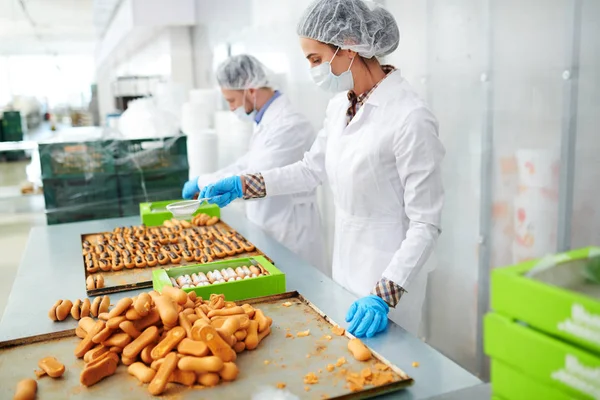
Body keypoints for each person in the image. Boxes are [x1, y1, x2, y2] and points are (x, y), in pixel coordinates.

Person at [199, 0, 444, 338]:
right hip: (344, 266)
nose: (313, 69)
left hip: (391, 279)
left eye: (315, 59)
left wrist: (384, 296)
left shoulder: (409, 116)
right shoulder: (339, 107)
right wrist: (245, 184)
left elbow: (425, 223)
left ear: (347, 47)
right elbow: (309, 170)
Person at [182, 54, 326, 274]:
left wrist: (205, 181)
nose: (231, 109)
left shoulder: (289, 125)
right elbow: (245, 164)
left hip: (290, 231)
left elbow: (258, 174)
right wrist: (204, 180)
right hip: (270, 225)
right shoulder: (265, 121)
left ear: (250, 90)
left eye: (231, 100)